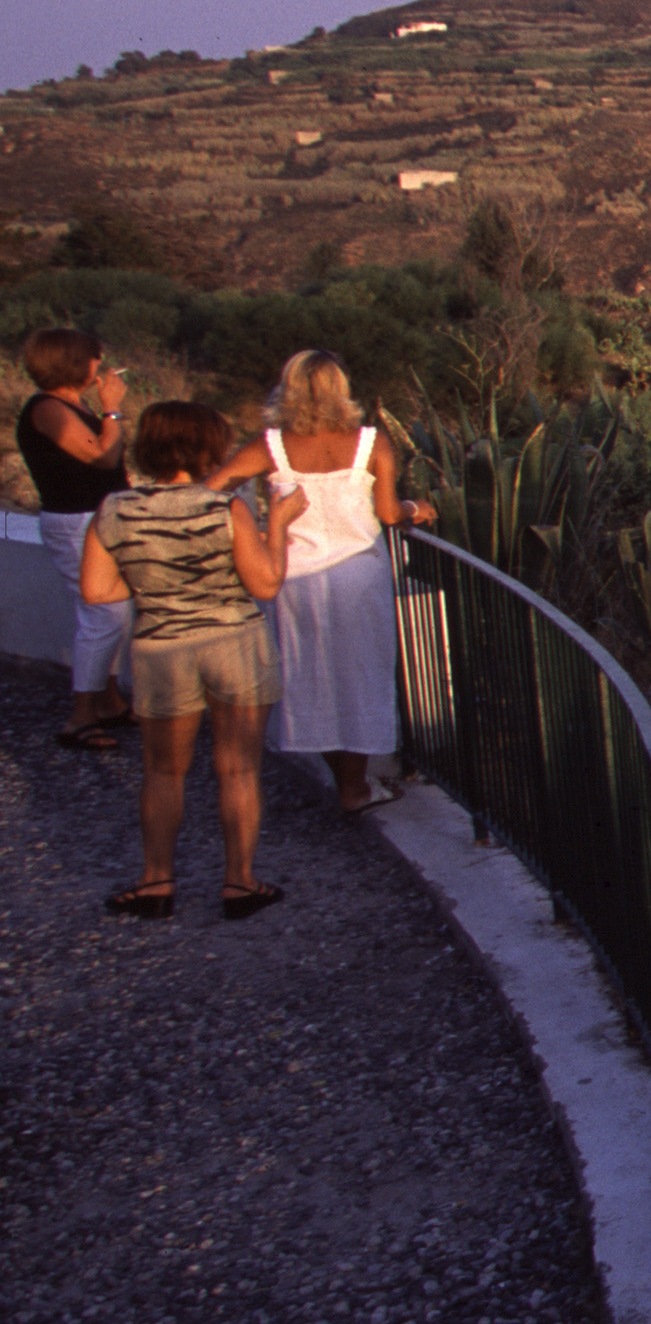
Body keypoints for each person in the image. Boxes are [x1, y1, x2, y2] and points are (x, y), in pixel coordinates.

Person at [79, 401, 306, 919]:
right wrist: (278, 523)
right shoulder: (223, 508)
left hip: (161, 648)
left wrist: (156, 586)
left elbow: (96, 591)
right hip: (235, 644)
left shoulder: (115, 509)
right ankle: (240, 883)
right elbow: (265, 583)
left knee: (162, 771)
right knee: (238, 769)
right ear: (208, 447)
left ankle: (155, 881)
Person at [209, 350, 433, 813]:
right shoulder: (371, 442)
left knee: (309, 677)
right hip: (359, 576)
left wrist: (248, 529)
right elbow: (388, 512)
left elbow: (212, 488)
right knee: (362, 675)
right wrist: (415, 508)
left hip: (295, 577)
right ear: (341, 388)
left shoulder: (270, 445)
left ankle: (344, 782)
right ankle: (355, 786)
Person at [16, 326, 136, 748]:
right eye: (94, 358)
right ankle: (80, 717)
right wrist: (112, 410)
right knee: (105, 614)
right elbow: (102, 456)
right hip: (76, 523)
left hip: (96, 518)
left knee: (115, 613)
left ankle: (107, 701)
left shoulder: (71, 405)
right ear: (75, 363)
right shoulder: (48, 409)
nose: (100, 365)